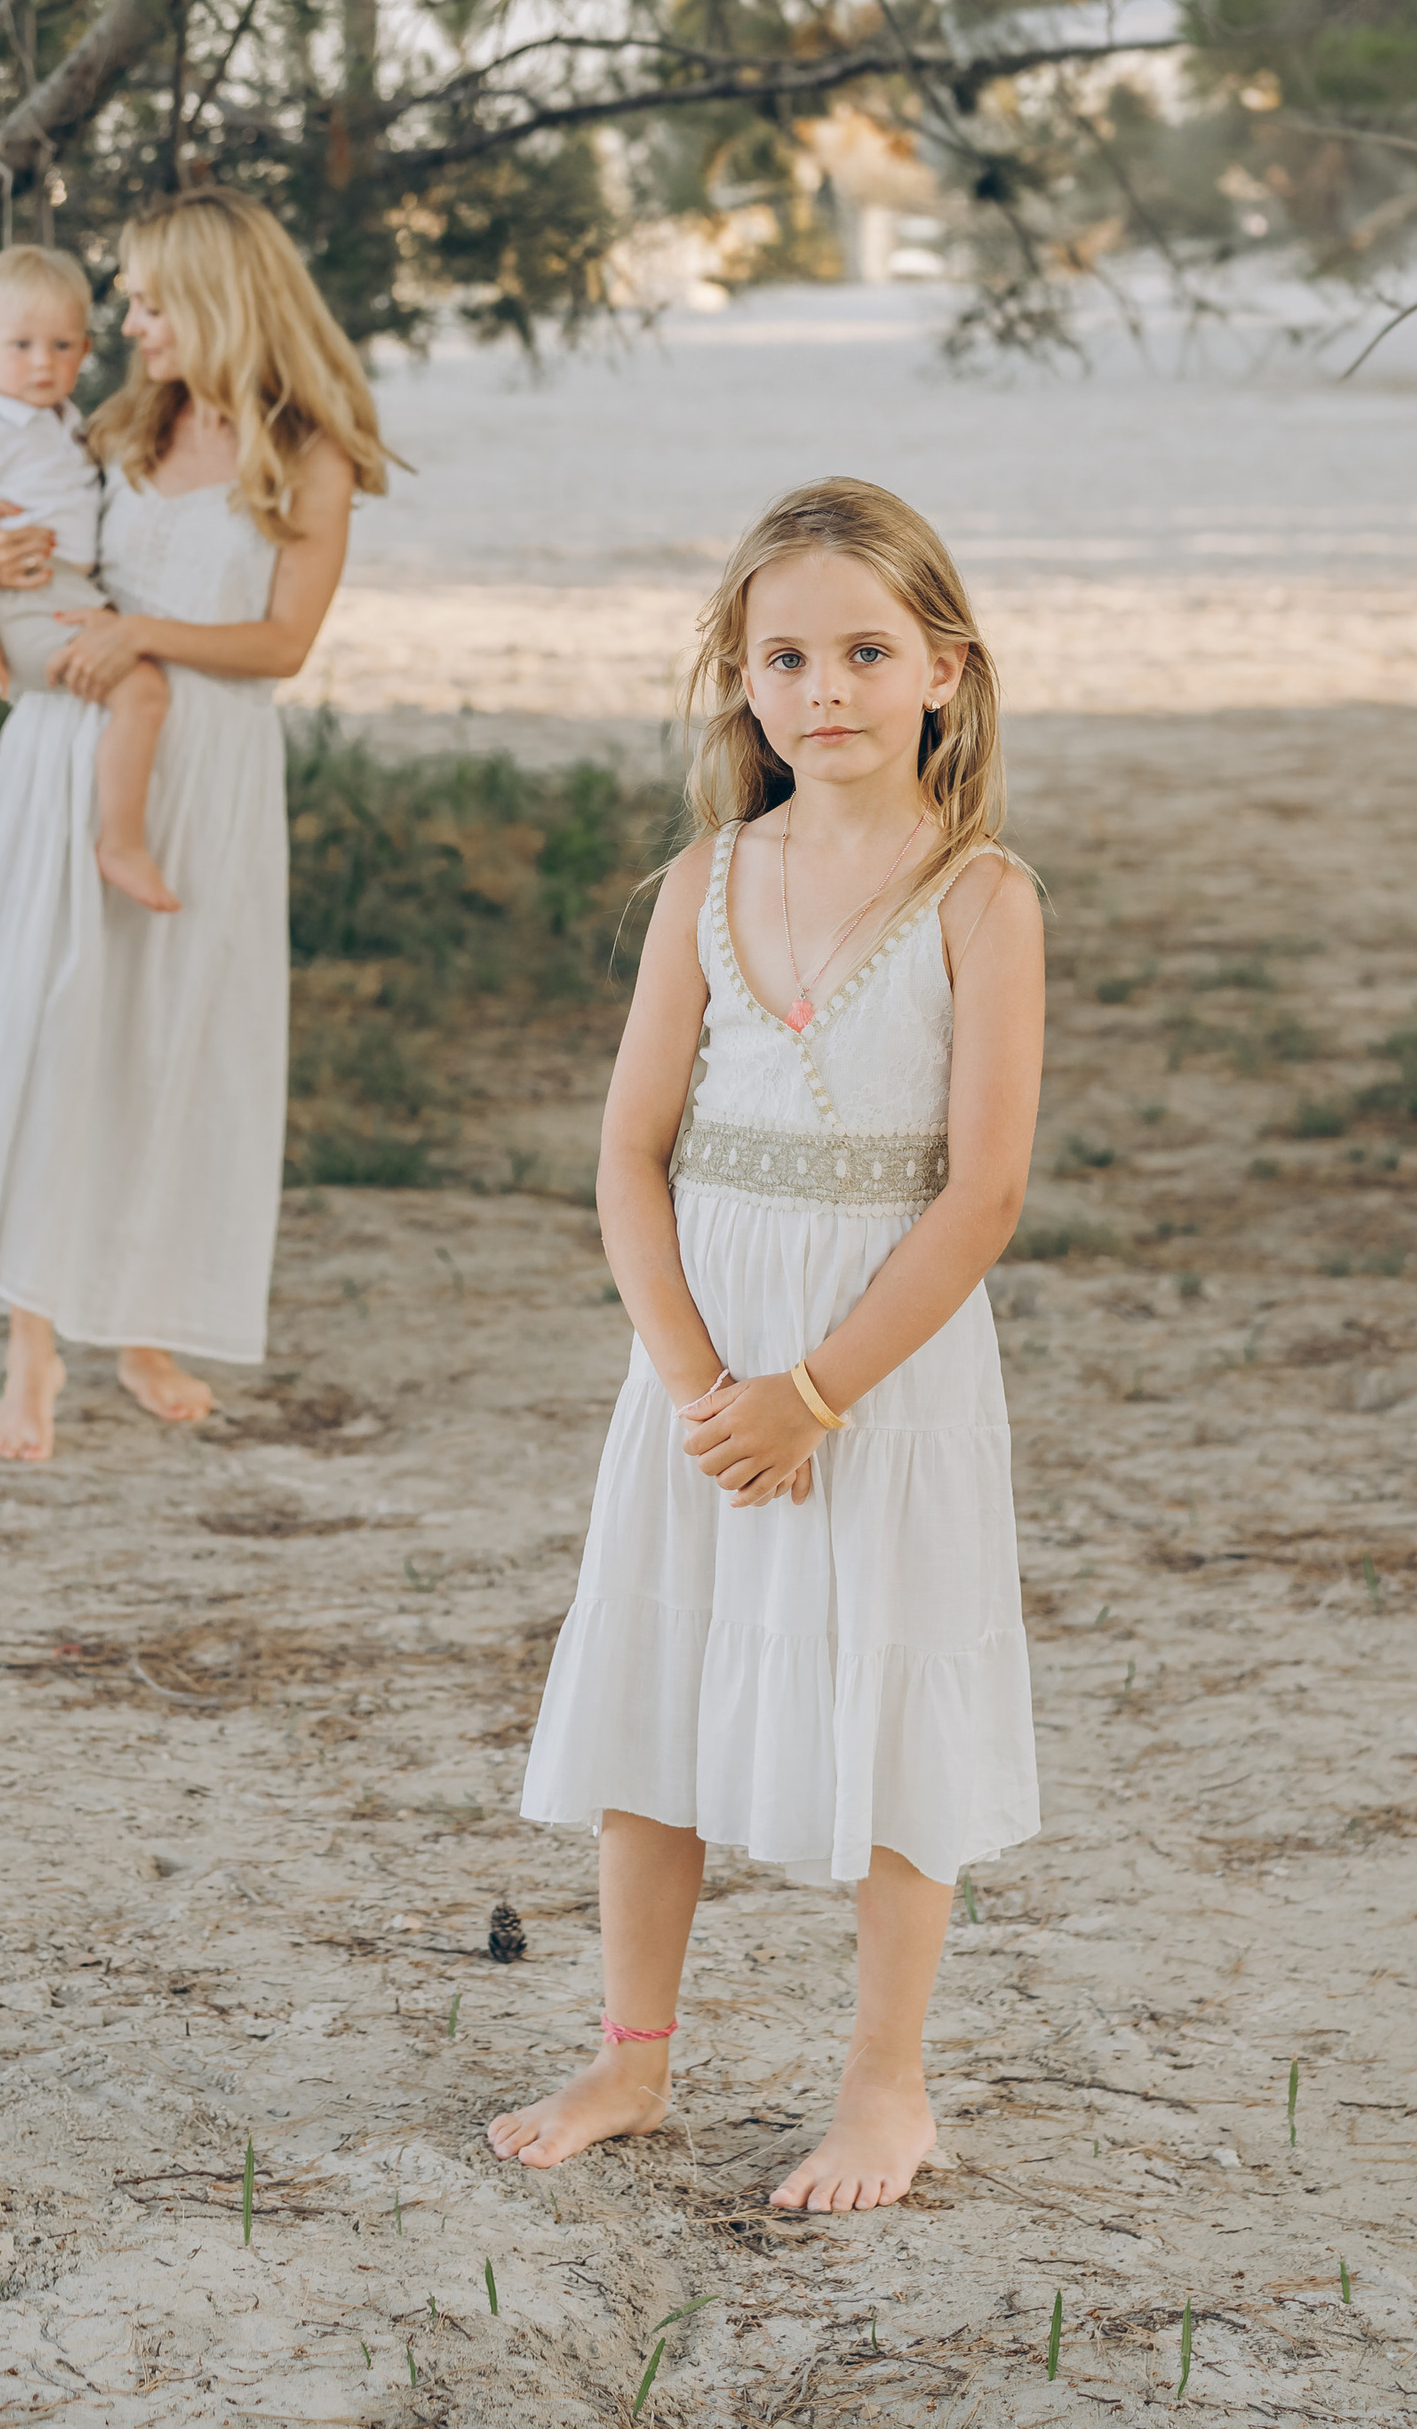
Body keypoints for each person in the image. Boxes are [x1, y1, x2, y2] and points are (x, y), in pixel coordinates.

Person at [492, 475, 1045, 2214]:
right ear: (740, 676)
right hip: (707, 1367)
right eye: (788, 654)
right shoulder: (707, 883)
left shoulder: (982, 900)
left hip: (875, 1371)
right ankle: (632, 2060)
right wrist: (699, 1387)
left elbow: (983, 1192)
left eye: (869, 651)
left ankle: (888, 2088)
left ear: (944, 668)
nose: (830, 689)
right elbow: (628, 1152)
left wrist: (815, 1393)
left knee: (890, 1696)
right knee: (662, 1688)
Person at [0, 186, 389, 1464]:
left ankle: (145, 1320)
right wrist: (13, 564)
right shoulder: (117, 424)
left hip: (209, 766)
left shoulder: (308, 451)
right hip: (79, 750)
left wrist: (142, 634)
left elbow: (283, 642)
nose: (128, 319)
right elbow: (27, 538)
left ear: (217, 301)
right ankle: (31, 1354)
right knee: (56, 1037)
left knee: (174, 1044)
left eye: (150, 298)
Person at [0, 242, 177, 913]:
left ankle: (116, 834)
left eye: (62, 345)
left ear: (87, 349)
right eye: (22, 346)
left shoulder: (64, 425)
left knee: (144, 685)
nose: (43, 362)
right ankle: (120, 843)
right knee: (144, 691)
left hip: (69, 592)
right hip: (30, 605)